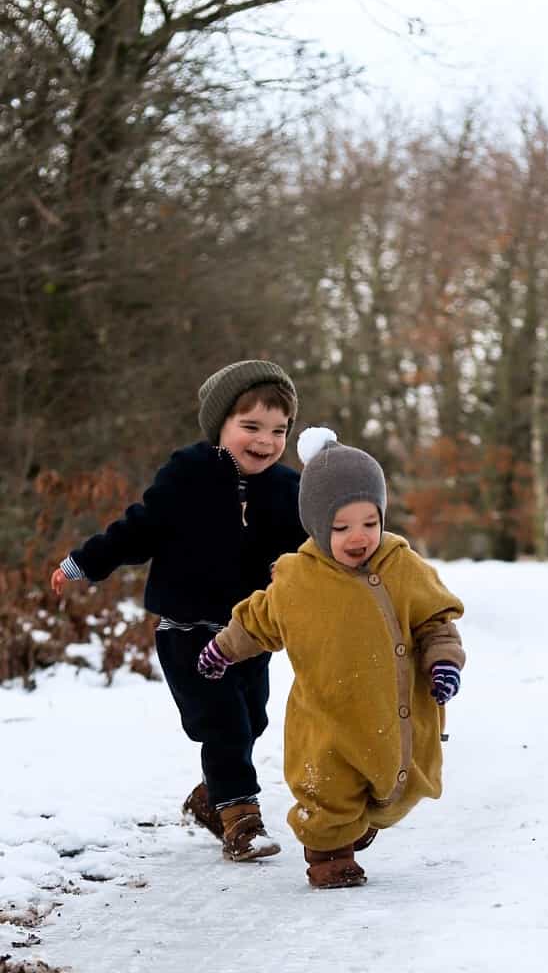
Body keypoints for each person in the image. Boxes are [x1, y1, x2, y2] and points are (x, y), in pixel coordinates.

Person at [50, 360, 307, 862]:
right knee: (224, 722)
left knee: (251, 720)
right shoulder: (188, 473)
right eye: (250, 427)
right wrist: (84, 562)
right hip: (188, 628)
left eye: (279, 430)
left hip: (251, 631)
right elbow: (139, 528)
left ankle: (210, 798)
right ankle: (241, 820)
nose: (265, 440)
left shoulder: (287, 488)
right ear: (220, 427)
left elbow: (309, 548)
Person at [195, 427, 465, 888]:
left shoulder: (401, 565)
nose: (359, 537)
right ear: (318, 525)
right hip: (327, 721)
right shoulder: (298, 579)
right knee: (329, 793)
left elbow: (436, 620)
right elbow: (259, 620)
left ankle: (358, 827)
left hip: (391, 714)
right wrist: (223, 648)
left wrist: (443, 663)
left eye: (370, 522)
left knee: (398, 789)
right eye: (341, 527)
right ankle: (329, 854)